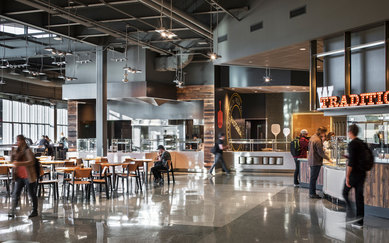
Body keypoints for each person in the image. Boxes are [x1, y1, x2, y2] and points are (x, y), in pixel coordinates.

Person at [342, 124, 366, 229]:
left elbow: (351, 163)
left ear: (350, 132)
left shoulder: (352, 144)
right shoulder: (362, 143)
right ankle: (360, 222)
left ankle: (351, 213)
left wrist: (347, 176)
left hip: (354, 174)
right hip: (362, 173)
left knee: (345, 192)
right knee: (359, 197)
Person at [9, 135, 38, 218]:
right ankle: (13, 211)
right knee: (16, 193)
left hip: (28, 176)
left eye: (18, 140)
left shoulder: (27, 150)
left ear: (23, 141)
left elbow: (31, 162)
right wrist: (12, 152)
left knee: (31, 193)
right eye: (16, 140)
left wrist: (20, 163)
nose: (17, 142)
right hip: (19, 176)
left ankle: (34, 211)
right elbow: (11, 161)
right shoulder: (17, 151)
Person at [308, 127, 332, 199]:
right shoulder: (318, 140)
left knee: (312, 178)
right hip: (316, 161)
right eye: (324, 132)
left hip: (312, 160)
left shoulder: (312, 137)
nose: (325, 134)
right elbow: (320, 153)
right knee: (313, 178)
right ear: (322, 132)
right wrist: (328, 159)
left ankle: (312, 193)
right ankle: (312, 193)